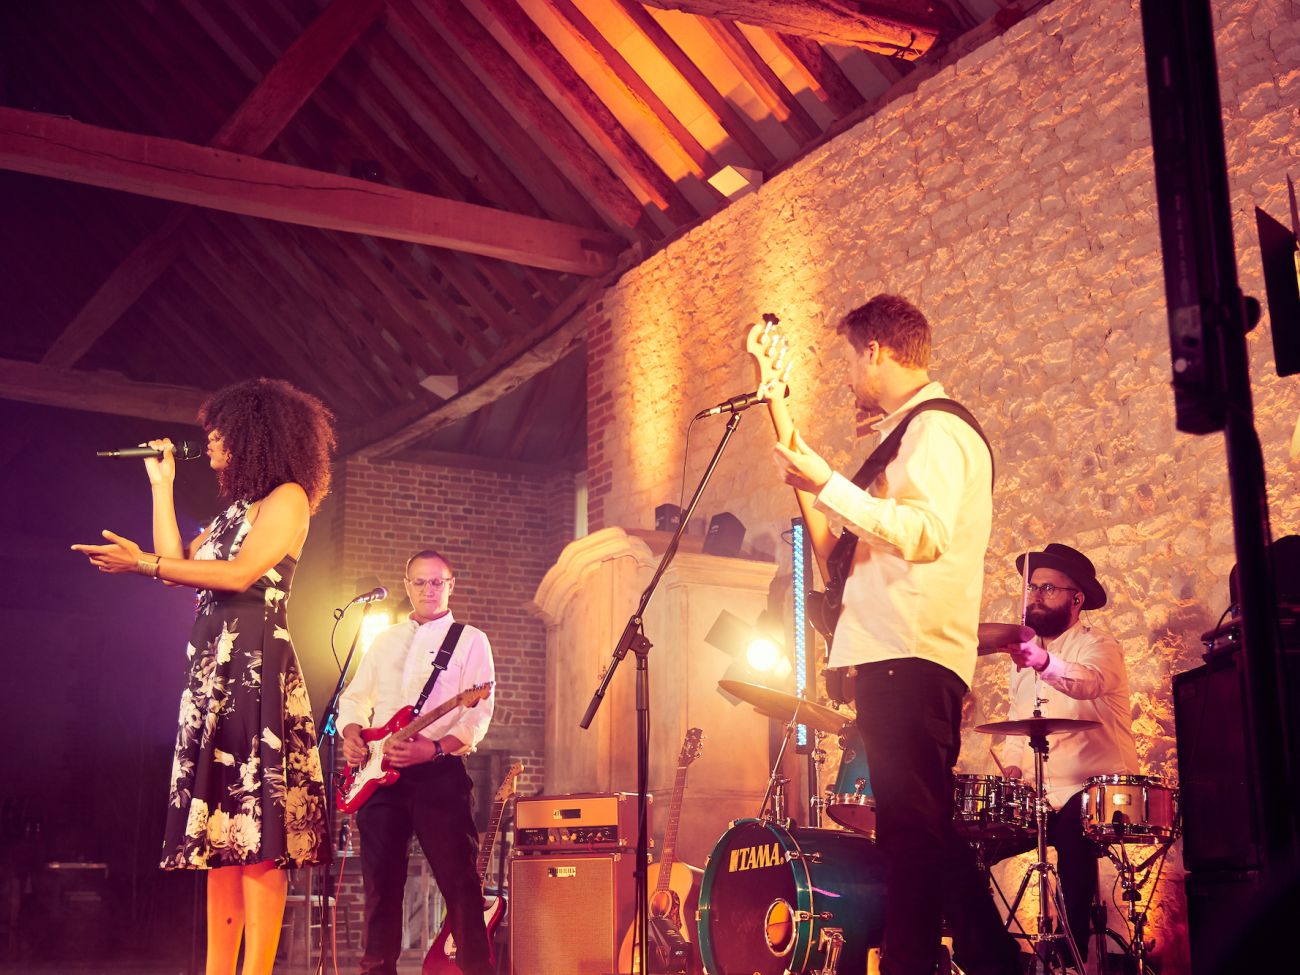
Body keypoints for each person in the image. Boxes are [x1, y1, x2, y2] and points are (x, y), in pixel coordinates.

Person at [773, 294, 1020, 975]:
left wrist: (828, 478)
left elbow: (925, 532)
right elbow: (839, 557)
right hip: (895, 656)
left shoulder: (936, 431)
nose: (849, 375)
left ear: (876, 350)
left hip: (907, 654)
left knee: (912, 837)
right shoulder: (909, 435)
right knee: (921, 831)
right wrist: (811, 479)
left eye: (851, 358)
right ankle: (995, 959)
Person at [72, 377, 335, 975]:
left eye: (220, 436)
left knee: (258, 830)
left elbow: (239, 574)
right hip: (212, 668)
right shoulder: (233, 512)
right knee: (222, 834)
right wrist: (161, 489)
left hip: (255, 663)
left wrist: (141, 561)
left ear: (252, 437)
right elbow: (179, 570)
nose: (211, 446)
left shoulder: (287, 498)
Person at [337, 550, 495, 975]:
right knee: (380, 890)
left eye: (437, 582)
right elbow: (354, 698)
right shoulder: (384, 639)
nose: (429, 590)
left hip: (437, 776)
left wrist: (436, 748)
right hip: (378, 776)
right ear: (407, 586)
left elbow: (478, 713)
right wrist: (352, 731)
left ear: (451, 585)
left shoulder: (470, 639)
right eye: (420, 582)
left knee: (460, 886)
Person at [997, 543, 1139, 966]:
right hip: (1044, 794)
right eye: (1031, 588)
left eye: (1048, 588)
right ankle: (997, 953)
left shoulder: (1101, 646)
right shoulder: (1019, 661)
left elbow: (1088, 683)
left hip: (1099, 791)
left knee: (1075, 837)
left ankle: (1070, 952)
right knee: (969, 845)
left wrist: (1043, 661)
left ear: (1077, 599)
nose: (1035, 595)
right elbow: (1017, 721)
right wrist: (1013, 766)